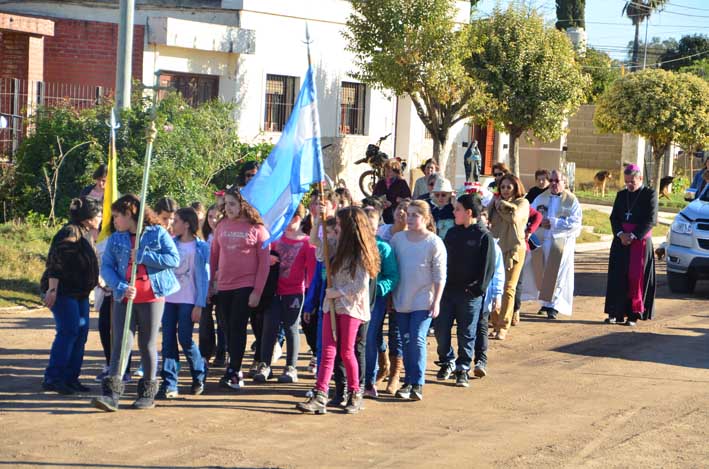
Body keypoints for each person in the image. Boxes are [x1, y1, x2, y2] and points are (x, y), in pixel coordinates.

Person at [92, 194, 180, 412]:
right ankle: (111, 394)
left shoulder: (157, 233)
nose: (113, 221)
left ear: (130, 214)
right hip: (125, 297)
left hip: (152, 296)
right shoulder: (115, 238)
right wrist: (120, 287)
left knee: (147, 344)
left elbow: (173, 259)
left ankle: (147, 394)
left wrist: (144, 255)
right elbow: (107, 267)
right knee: (121, 343)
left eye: (116, 217)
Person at [296, 207, 380, 415]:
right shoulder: (334, 245)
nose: (337, 229)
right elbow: (315, 242)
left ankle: (354, 392)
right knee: (327, 350)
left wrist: (337, 292)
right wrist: (317, 220)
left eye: (340, 226)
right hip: (330, 306)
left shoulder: (361, 252)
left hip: (351, 308)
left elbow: (360, 285)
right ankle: (320, 394)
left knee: (346, 351)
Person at [209, 187, 270, 390]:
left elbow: (264, 264)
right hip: (224, 285)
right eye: (226, 204)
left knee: (237, 327)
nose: (229, 208)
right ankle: (233, 367)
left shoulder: (258, 229)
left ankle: (235, 371)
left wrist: (257, 291)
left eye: (232, 203)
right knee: (226, 327)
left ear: (243, 204)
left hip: (245, 285)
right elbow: (214, 256)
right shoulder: (222, 226)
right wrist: (211, 285)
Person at [41, 197, 101, 395]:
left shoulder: (85, 233)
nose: (100, 217)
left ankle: (70, 378)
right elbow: (56, 264)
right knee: (68, 332)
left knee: (80, 334)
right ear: (87, 218)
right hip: (64, 291)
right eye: (97, 214)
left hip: (80, 293)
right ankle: (54, 378)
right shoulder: (70, 232)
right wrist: (52, 290)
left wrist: (100, 282)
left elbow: (88, 263)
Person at [435, 194, 495, 387]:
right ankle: (447, 360)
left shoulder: (484, 236)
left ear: (469, 213)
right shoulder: (452, 233)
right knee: (441, 330)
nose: (454, 212)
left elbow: (488, 268)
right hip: (447, 292)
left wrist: (476, 290)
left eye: (457, 209)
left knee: (466, 333)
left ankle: (463, 368)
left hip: (469, 296)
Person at [390, 201, 446, 401]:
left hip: (423, 300)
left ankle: (418, 383)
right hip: (401, 299)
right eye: (409, 214)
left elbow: (440, 275)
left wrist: (437, 301)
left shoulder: (434, 242)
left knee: (417, 338)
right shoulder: (397, 239)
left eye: (415, 215)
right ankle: (408, 380)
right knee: (405, 341)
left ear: (426, 218)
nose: (410, 218)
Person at [254, 204, 316, 384]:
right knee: (269, 327)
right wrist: (268, 259)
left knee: (291, 328)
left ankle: (291, 367)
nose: (290, 222)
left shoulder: (307, 243)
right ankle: (265, 365)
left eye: (294, 218)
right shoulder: (275, 239)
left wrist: (311, 300)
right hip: (274, 291)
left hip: (295, 292)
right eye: (287, 217)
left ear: (301, 218)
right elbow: (262, 255)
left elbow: (311, 275)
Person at [158, 207, 210, 399]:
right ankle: (170, 383)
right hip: (169, 299)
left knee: (185, 339)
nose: (173, 224)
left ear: (187, 224)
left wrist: (200, 304)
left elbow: (204, 277)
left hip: (189, 300)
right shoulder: (170, 243)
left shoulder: (201, 247)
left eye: (177, 221)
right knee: (168, 340)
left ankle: (199, 375)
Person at [519, 170, 582, 319]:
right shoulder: (541, 198)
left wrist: (555, 222)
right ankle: (545, 303)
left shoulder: (571, 201)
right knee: (541, 273)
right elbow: (530, 216)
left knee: (558, 274)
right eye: (551, 180)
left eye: (557, 181)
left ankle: (554, 306)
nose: (553, 184)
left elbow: (576, 222)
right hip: (542, 241)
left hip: (560, 243)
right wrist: (540, 223)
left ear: (564, 183)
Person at [604, 164, 657, 326]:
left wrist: (633, 236)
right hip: (621, 242)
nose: (629, 185)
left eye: (632, 182)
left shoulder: (650, 194)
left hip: (640, 243)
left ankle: (633, 315)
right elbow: (614, 218)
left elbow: (651, 220)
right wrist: (620, 234)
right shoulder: (621, 195)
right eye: (626, 182)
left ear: (640, 178)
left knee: (635, 278)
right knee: (617, 277)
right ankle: (615, 313)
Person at [361, 199, 400, 398]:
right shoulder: (352, 246)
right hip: (352, 300)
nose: (369, 230)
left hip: (374, 301)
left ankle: (368, 380)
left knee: (368, 338)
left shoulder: (383, 248)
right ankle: (353, 379)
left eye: (373, 226)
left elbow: (392, 276)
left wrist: (377, 288)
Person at [487, 174, 529, 340]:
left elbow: (514, 217)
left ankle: (504, 326)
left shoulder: (522, 203)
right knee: (494, 287)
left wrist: (501, 205)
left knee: (508, 288)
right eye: (502, 187)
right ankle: (495, 322)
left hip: (513, 249)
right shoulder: (495, 203)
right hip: (496, 248)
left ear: (516, 188)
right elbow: (486, 216)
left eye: (508, 187)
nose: (505, 190)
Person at [473, 208, 504, 379]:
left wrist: (496, 295)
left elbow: (498, 273)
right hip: (467, 295)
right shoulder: (467, 242)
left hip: (485, 295)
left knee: (481, 327)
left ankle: (481, 360)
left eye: (483, 224)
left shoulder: (494, 247)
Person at [198, 205, 226, 366]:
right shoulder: (203, 237)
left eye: (217, 217)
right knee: (205, 319)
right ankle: (205, 353)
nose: (213, 220)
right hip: (205, 282)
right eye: (210, 217)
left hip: (223, 281)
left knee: (222, 320)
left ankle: (222, 353)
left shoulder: (225, 234)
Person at [373, 159, 412, 224]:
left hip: (396, 215)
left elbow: (407, 199)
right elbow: (374, 197)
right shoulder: (381, 183)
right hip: (381, 215)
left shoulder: (401, 183)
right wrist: (380, 202)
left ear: (396, 172)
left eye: (390, 171)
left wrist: (393, 203)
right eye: (386, 170)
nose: (387, 173)